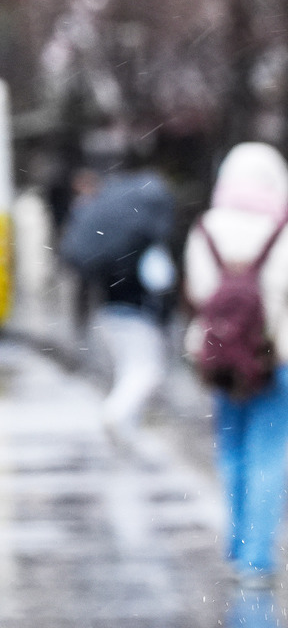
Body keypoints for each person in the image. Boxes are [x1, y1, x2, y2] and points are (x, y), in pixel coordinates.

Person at [184, 142, 288, 586]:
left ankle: (235, 545)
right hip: (275, 359)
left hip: (222, 362)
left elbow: (198, 293)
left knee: (232, 449)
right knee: (268, 455)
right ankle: (256, 558)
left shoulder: (205, 230)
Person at [59, 163, 177, 442]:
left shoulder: (112, 244)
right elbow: (162, 281)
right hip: (137, 314)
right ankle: (115, 415)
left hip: (110, 312)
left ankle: (126, 430)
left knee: (129, 370)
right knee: (147, 372)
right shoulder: (142, 244)